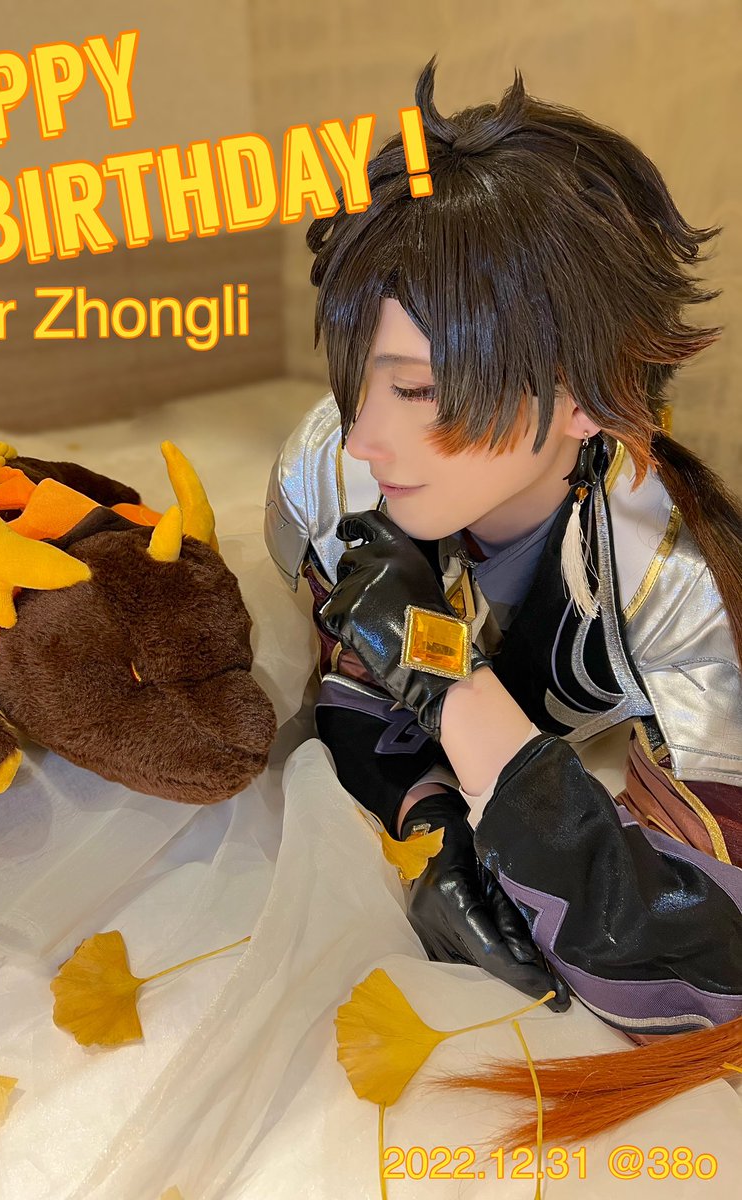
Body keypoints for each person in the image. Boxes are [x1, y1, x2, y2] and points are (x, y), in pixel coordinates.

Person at [265, 59, 742, 1038]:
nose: (365, 436)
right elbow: (351, 700)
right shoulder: (328, 472)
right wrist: (433, 831)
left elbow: (707, 954)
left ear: (584, 395)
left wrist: (450, 687)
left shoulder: (678, 587)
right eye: (357, 380)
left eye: (419, 392)